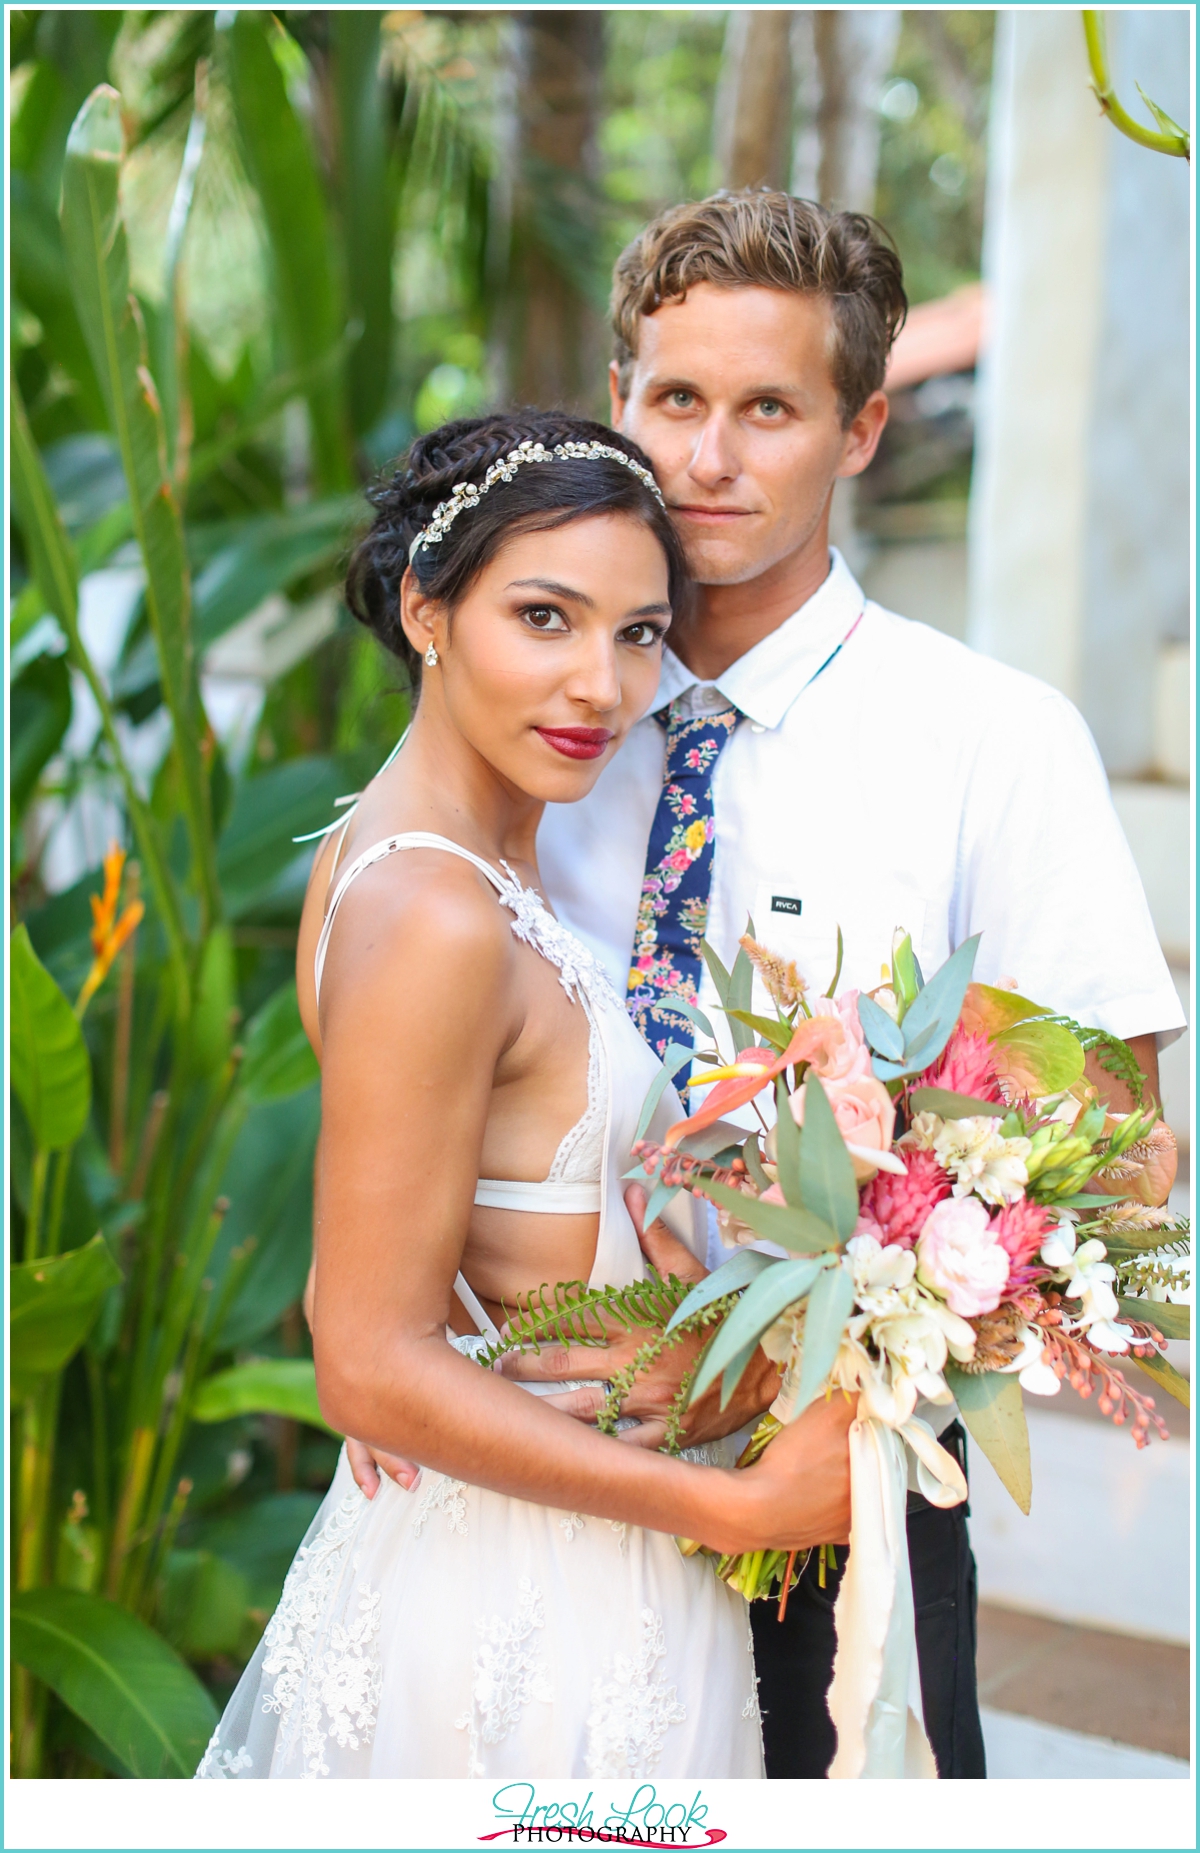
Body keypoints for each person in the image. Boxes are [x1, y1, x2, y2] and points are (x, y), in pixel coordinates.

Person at [345, 191, 1185, 1780]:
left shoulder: (990, 741)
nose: (708, 461)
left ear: (862, 428)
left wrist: (802, 1356)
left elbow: (1129, 1158)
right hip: (525, 1485)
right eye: (674, 401)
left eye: (769, 410)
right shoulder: (540, 726)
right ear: (620, 398)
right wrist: (402, 1344)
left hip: (831, 1491)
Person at [195, 410, 857, 1782]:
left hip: (532, 1549)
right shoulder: (438, 911)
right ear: (427, 612)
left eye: (634, 633)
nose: (599, 687)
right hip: (525, 1602)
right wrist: (726, 1504)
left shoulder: (417, 846)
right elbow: (367, 1356)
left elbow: (389, 1247)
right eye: (544, 617)